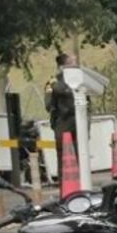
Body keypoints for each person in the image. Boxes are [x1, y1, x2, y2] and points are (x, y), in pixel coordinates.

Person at [44, 53, 76, 183]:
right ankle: (65, 184)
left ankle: (79, 183)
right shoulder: (53, 83)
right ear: (62, 67)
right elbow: (48, 105)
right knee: (64, 155)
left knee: (79, 154)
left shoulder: (79, 81)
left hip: (78, 123)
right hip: (62, 123)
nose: (75, 66)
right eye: (72, 63)